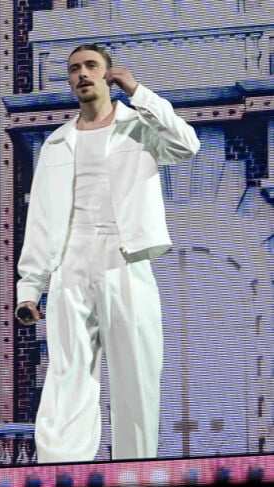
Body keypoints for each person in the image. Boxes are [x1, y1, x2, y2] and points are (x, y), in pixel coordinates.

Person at [15, 44, 200, 463]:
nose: (82, 74)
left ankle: (135, 473)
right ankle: (60, 472)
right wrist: (30, 288)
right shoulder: (56, 143)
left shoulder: (139, 126)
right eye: (74, 69)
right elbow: (42, 220)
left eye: (91, 66)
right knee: (67, 373)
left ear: (108, 73)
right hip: (70, 263)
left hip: (125, 258)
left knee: (136, 371)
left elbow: (187, 144)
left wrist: (138, 91)